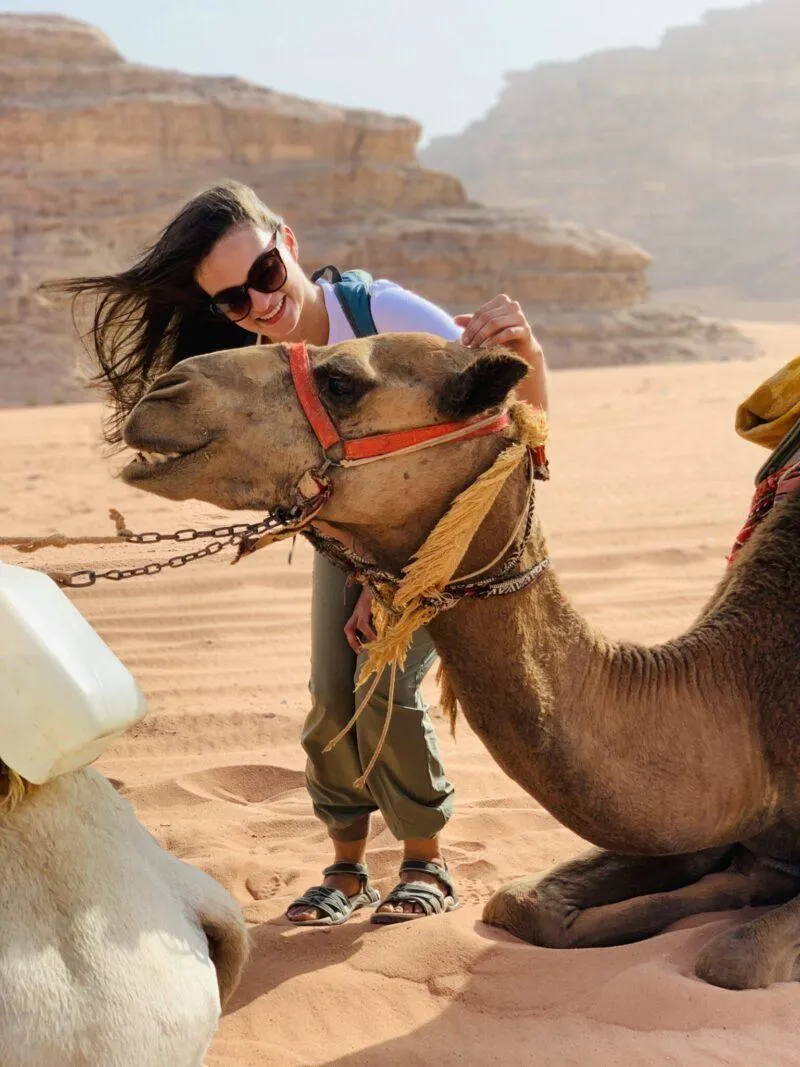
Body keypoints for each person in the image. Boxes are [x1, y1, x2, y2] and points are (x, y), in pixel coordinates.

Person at [55, 180, 548, 925]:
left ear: (286, 243)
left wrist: (385, 589)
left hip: (441, 532)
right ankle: (346, 871)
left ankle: (425, 862)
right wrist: (356, 569)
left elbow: (498, 414)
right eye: (232, 300)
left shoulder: (384, 317)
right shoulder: (263, 362)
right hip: (352, 538)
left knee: (385, 685)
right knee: (330, 694)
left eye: (262, 274)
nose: (258, 302)